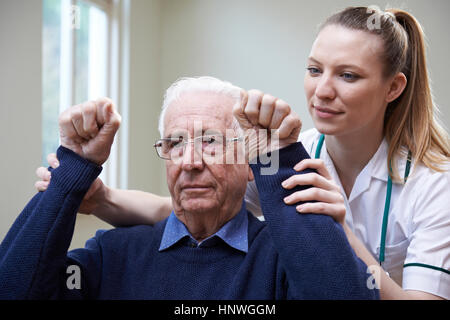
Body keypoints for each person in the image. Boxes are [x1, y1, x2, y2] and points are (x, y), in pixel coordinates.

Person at [36, 7, 450, 300]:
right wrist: (95, 197)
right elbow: (183, 206)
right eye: (313, 69)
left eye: (348, 75)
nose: (322, 90)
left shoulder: (435, 183)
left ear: (394, 88)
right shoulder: (284, 156)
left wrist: (336, 231)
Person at [0, 76, 378, 299]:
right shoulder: (112, 255)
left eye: (211, 141)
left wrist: (278, 160)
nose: (190, 161)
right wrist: (74, 168)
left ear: (250, 164)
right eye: (176, 143)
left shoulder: (285, 259)